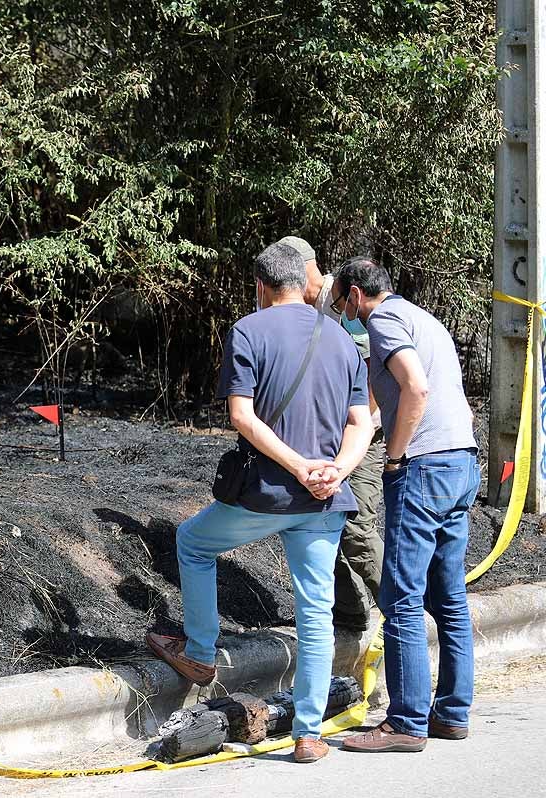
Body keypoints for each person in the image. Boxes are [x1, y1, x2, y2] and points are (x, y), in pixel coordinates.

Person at [146, 241, 373, 764]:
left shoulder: (249, 330)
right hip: (325, 499)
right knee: (315, 613)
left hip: (268, 494)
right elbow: (361, 423)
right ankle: (309, 733)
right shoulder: (341, 337)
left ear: (260, 286)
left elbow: (243, 418)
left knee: (193, 542)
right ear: (306, 280)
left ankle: (200, 655)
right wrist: (335, 470)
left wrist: (297, 469)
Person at [336, 258, 480, 754]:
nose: (342, 312)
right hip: (461, 461)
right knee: (449, 596)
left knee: (401, 598)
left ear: (356, 295)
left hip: (424, 467)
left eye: (340, 303)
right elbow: (390, 399)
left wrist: (395, 457)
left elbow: (416, 389)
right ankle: (452, 714)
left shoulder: (382, 321)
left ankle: (405, 722)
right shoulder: (424, 318)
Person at [279, 237, 385, 632]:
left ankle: (406, 615)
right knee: (323, 522)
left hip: (364, 436)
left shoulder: (339, 302)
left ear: (303, 268)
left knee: (357, 532)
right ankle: (352, 614)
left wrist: (358, 428)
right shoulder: (303, 309)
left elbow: (375, 368)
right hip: (327, 435)